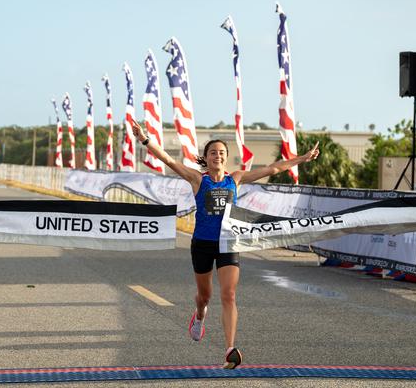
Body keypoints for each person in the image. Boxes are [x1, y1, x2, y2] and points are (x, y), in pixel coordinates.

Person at [130, 118, 319, 369]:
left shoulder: (236, 178)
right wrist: (145, 139)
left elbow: (273, 169)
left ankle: (229, 348)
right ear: (206, 158)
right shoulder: (198, 180)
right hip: (202, 244)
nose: (217, 156)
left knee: (229, 294)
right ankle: (199, 316)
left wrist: (301, 159)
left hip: (229, 242)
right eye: (212, 153)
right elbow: (167, 160)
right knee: (205, 296)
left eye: (221, 153)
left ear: (226, 158)